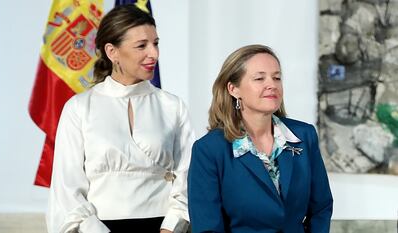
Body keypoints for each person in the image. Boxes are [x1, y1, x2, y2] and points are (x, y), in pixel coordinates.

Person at [46, 4, 194, 233]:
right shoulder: (79, 108)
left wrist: (172, 226)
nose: (153, 53)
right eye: (141, 46)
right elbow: (67, 189)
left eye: (155, 44)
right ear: (112, 51)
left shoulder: (173, 106)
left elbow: (187, 175)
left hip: (164, 227)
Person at [188, 44, 333, 233]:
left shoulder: (304, 135)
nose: (272, 84)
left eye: (277, 77)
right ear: (233, 89)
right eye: (259, 78)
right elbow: (207, 228)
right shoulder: (209, 150)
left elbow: (321, 207)